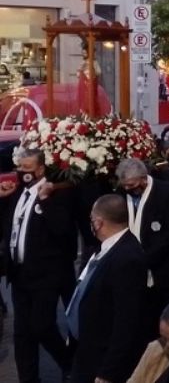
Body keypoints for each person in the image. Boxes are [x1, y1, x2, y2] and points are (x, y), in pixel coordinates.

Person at [0, 149, 73, 382]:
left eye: (28, 169)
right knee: (22, 336)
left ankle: (69, 364)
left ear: (40, 169)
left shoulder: (56, 194)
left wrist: (45, 200)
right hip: (20, 275)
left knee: (42, 326)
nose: (23, 173)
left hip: (45, 276)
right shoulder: (17, 193)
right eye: (20, 168)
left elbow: (63, 231)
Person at [68, 194, 148, 383]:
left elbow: (126, 322)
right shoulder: (107, 248)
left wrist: (107, 372)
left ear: (98, 222)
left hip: (102, 362)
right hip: (88, 352)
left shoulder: (127, 258)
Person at [116, 158, 169, 339]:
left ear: (143, 179)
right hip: (135, 271)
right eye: (124, 186)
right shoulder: (124, 194)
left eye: (131, 185)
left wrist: (144, 259)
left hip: (164, 270)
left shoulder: (168, 193)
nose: (127, 189)